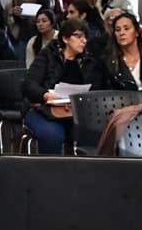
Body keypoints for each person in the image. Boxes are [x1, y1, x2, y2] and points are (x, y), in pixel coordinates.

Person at [23, 18, 104, 155]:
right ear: (65, 39)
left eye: (85, 37)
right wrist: (45, 95)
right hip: (45, 109)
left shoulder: (89, 61)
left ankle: (83, 167)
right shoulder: (48, 55)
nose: (84, 40)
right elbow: (29, 84)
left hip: (77, 111)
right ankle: (55, 168)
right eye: (78, 36)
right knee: (52, 135)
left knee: (96, 131)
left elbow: (96, 89)